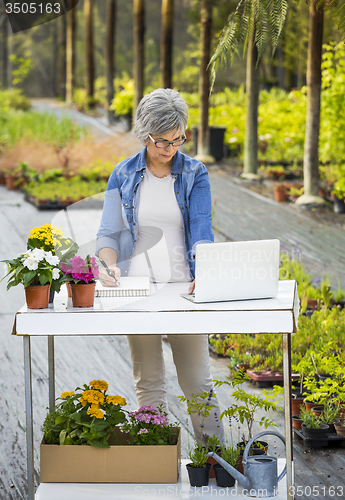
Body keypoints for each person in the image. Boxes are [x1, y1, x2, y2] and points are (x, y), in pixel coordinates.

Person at [96, 88, 224, 444]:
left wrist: (204, 274)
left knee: (197, 382)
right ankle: (156, 462)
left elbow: (201, 229)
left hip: (184, 291)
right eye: (161, 141)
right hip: (137, 291)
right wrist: (108, 267)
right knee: (149, 383)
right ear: (145, 134)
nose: (170, 148)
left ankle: (216, 461)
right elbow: (107, 234)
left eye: (177, 139)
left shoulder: (195, 173)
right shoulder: (122, 175)